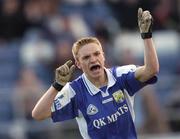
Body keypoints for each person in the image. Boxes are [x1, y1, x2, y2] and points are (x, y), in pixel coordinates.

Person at [32, 8, 159, 139]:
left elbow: (151, 70)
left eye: (96, 54)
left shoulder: (120, 76)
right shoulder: (75, 91)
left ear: (103, 56)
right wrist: (57, 85)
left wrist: (146, 36)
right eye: (86, 57)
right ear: (78, 64)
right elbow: (38, 114)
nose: (93, 59)